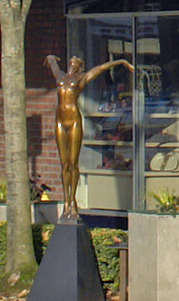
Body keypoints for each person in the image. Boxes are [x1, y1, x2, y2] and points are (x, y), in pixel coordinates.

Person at [47, 54, 131, 219]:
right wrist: (50, 58)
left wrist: (120, 62)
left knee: (73, 162)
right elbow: (52, 65)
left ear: (79, 66)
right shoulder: (61, 77)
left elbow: (101, 68)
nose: (72, 61)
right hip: (59, 120)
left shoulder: (81, 78)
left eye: (75, 61)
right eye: (71, 60)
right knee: (64, 164)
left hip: (74, 121)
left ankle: (73, 202)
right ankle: (66, 203)